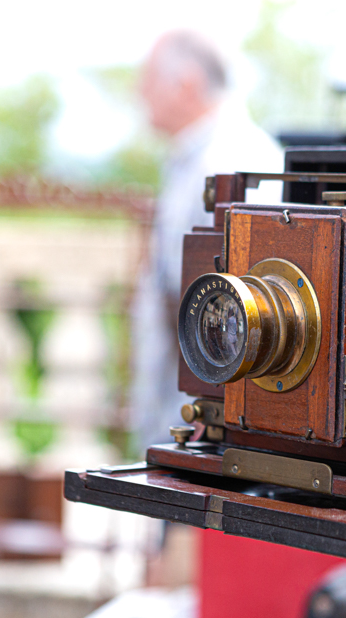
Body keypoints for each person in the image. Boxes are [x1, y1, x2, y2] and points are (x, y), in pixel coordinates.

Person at [131, 30, 282, 450]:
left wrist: (211, 410)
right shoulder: (201, 156)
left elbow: (240, 304)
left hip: (210, 421)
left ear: (186, 84)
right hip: (186, 410)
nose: (139, 93)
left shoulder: (231, 158)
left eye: (149, 80)